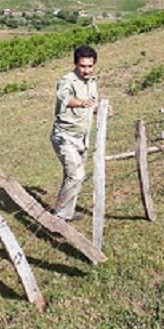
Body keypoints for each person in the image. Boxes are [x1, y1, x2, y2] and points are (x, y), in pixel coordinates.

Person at [50, 45, 101, 222]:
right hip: (65, 137)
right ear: (75, 64)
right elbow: (65, 98)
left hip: (82, 138)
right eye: (82, 66)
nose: (86, 70)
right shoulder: (67, 81)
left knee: (71, 177)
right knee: (77, 176)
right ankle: (58, 218)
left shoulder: (92, 82)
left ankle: (67, 213)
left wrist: (100, 110)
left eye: (90, 66)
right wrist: (81, 103)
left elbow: (92, 105)